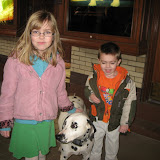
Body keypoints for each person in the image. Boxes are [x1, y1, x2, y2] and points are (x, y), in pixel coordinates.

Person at [0, 10, 79, 160]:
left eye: (47, 32)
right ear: (29, 34)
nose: (41, 36)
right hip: (25, 121)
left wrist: (72, 108)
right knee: (32, 157)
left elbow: (60, 91)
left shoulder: (58, 62)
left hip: (47, 120)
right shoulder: (15, 60)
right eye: (36, 31)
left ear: (54, 35)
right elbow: (7, 94)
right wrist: (4, 120)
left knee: (42, 154)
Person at [84, 42, 136, 160]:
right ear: (99, 60)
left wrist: (125, 122)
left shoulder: (127, 82)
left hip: (114, 121)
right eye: (103, 62)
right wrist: (90, 96)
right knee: (95, 144)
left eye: (112, 63)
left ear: (118, 62)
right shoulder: (94, 76)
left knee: (112, 147)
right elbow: (87, 88)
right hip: (97, 118)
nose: (107, 67)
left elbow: (130, 103)